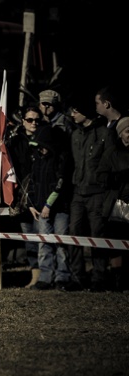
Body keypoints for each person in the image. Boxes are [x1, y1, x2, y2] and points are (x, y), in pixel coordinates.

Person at [66, 94, 114, 292]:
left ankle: (99, 278)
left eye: (75, 110)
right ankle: (77, 277)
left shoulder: (104, 133)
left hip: (97, 192)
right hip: (78, 192)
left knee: (97, 236)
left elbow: (109, 163)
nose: (72, 114)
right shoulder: (75, 134)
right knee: (73, 233)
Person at [25, 125, 73, 290]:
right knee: (44, 244)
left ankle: (63, 277)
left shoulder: (62, 158)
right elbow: (32, 182)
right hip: (41, 210)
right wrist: (31, 204)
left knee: (61, 243)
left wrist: (48, 205)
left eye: (43, 146)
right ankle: (45, 278)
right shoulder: (37, 159)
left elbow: (60, 185)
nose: (40, 149)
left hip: (60, 209)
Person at [5, 106, 44, 288]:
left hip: (43, 196)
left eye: (37, 120)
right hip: (23, 198)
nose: (33, 123)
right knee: (29, 239)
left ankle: (47, 276)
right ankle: (35, 275)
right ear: (23, 121)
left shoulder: (46, 137)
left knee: (44, 239)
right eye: (29, 120)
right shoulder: (15, 141)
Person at [97, 116, 129, 291]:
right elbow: (100, 176)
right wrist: (116, 176)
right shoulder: (111, 152)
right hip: (116, 206)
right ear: (120, 133)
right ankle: (117, 280)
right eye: (127, 131)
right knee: (116, 244)